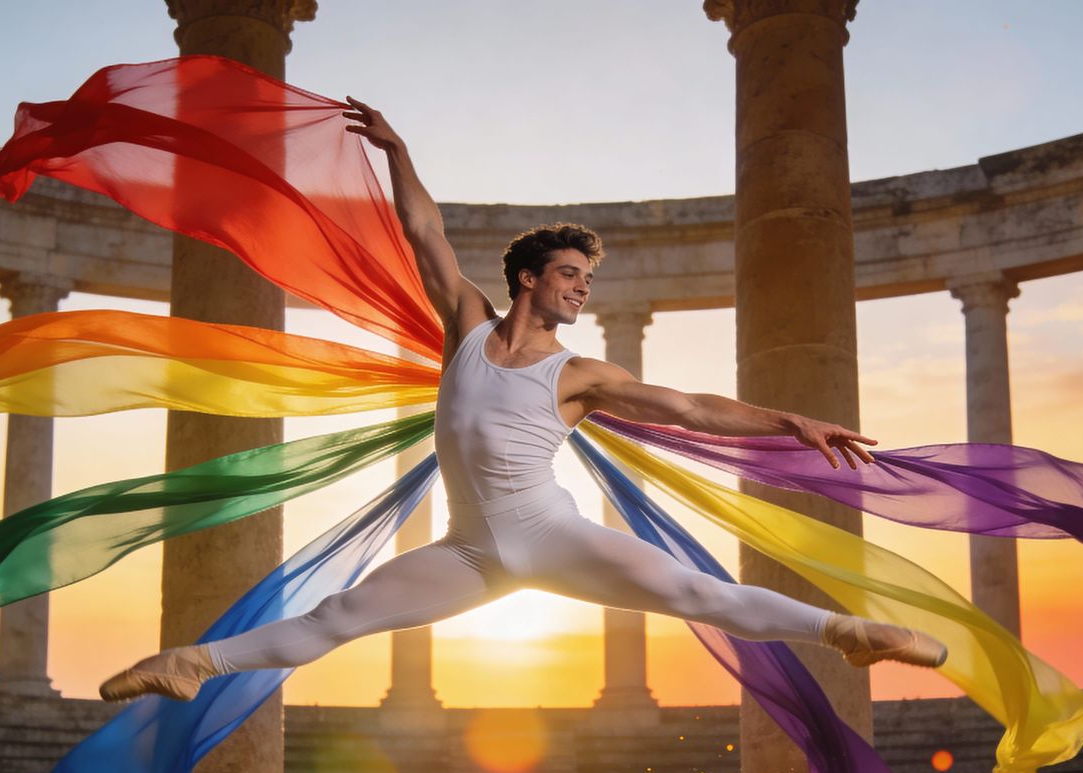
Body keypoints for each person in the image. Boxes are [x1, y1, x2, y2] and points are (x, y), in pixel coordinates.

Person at [99, 100, 946, 703]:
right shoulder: (466, 323)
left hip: (554, 536)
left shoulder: (577, 375)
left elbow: (687, 405)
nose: (581, 289)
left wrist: (791, 421)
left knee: (697, 594)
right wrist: (398, 153)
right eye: (570, 275)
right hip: (468, 553)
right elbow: (425, 234)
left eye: (587, 278)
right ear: (528, 279)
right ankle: (192, 661)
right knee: (340, 615)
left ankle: (853, 634)